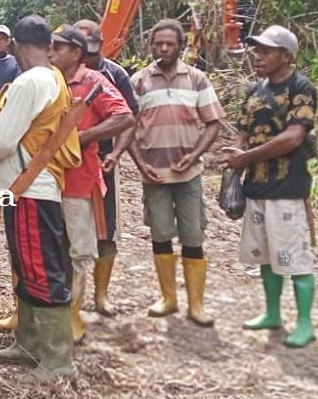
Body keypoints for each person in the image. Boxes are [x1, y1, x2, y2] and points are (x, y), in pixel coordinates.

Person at [0, 15, 80, 381]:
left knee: (39, 269)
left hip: (28, 190)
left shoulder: (29, 81)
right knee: (26, 266)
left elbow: (3, 140)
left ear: (18, 45)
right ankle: (29, 342)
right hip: (32, 187)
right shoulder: (54, 78)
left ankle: (56, 360)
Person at [224, 25, 317, 348]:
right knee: (265, 257)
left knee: (296, 258)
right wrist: (235, 164)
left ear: (286, 56)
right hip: (257, 188)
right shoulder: (253, 92)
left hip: (288, 187)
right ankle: (272, 313)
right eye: (256, 50)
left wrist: (245, 156)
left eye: (266, 51)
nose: (258, 55)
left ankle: (305, 323)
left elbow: (294, 137)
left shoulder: (300, 87)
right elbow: (242, 132)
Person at [129, 19, 223, 327]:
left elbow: (213, 122)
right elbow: (126, 125)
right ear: (151, 46)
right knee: (160, 235)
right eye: (159, 44)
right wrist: (141, 164)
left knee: (193, 235)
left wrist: (196, 155)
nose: (164, 49)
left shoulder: (196, 79)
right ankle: (168, 298)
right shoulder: (139, 81)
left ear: (181, 46)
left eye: (170, 44)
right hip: (153, 174)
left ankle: (196, 305)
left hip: (189, 174)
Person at [49, 25, 134, 344]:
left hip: (79, 181)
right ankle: (53, 314)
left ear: (76, 52)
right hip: (48, 178)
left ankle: (73, 319)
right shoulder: (49, 79)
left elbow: (124, 117)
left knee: (79, 249)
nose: (52, 51)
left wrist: (83, 137)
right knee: (53, 248)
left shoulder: (94, 82)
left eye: (59, 46)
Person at [73, 19, 140, 317]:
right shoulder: (63, 74)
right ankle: (73, 300)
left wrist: (116, 152)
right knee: (71, 230)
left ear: (101, 41)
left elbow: (129, 118)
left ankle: (101, 296)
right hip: (69, 162)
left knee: (106, 231)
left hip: (103, 162)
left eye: (92, 44)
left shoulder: (114, 74)